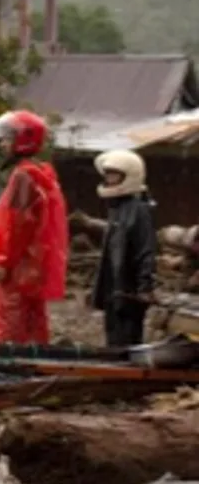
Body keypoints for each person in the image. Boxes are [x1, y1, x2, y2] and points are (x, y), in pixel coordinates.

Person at [0, 110, 68, 344]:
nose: (2, 145)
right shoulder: (42, 175)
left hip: (18, 269)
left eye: (7, 139)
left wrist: (2, 261)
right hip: (34, 266)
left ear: (22, 140)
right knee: (35, 324)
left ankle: (11, 370)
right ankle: (39, 367)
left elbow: (16, 224)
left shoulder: (23, 177)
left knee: (10, 327)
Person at [89, 149, 156, 347]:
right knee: (113, 337)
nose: (109, 179)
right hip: (113, 286)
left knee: (127, 340)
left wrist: (145, 285)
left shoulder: (139, 210)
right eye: (108, 174)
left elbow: (146, 250)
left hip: (129, 288)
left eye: (115, 174)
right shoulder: (116, 209)